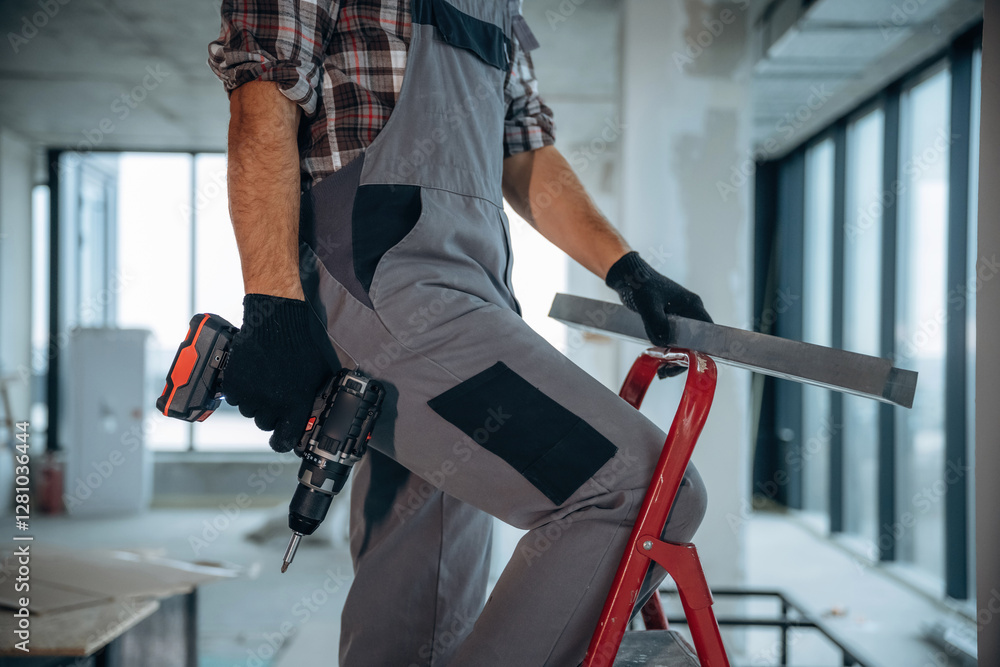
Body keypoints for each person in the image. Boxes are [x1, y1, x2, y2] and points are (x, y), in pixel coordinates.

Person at [209, 1, 712, 664]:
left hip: (472, 295)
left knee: (420, 590)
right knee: (640, 488)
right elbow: (260, 103)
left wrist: (625, 267)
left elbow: (523, 146)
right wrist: (273, 306)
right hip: (381, 284)